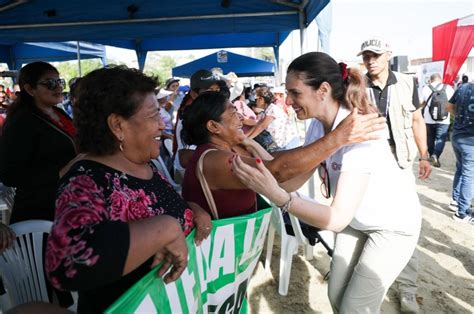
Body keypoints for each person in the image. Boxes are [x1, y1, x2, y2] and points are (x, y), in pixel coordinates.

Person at [231, 51, 421, 313]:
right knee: (336, 295)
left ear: (323, 89)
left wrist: (277, 197)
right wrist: (255, 150)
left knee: (354, 308)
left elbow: (336, 219)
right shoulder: (319, 126)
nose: (288, 101)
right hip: (358, 221)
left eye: (295, 93)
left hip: (391, 227)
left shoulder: (358, 130)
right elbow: (294, 179)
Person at [45, 66, 212, 313]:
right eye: (154, 116)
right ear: (117, 125)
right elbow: (66, 265)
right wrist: (166, 229)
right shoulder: (86, 179)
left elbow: (157, 209)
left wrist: (191, 209)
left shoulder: (143, 166)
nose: (161, 127)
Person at [359, 37, 430, 313]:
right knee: (364, 222)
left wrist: (424, 155)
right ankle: (363, 276)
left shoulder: (407, 83)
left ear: (388, 55)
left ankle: (408, 288)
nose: (371, 60)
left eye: (375, 54)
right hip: (366, 164)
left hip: (399, 163)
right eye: (366, 56)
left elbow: (416, 120)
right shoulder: (356, 86)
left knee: (405, 225)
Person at [0, 62, 77, 223]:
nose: (58, 87)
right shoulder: (21, 122)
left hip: (68, 201)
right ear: (30, 89)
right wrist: (59, 172)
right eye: (50, 83)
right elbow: (10, 175)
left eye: (59, 82)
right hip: (40, 209)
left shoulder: (58, 112)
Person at [181, 91, 259, 219]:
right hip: (230, 238)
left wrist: (250, 143)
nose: (240, 117)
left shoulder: (226, 149)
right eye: (234, 113)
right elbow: (277, 172)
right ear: (213, 126)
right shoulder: (214, 159)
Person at [446, 82, 474, 224]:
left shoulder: (463, 87)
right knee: (469, 175)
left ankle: (456, 202)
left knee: (461, 169)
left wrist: (461, 119)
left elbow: (449, 107)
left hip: (457, 135)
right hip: (470, 141)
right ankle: (462, 213)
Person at [421, 73, 454, 168]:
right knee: (441, 138)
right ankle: (435, 155)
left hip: (428, 119)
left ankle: (432, 155)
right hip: (444, 120)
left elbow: (420, 102)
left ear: (430, 80)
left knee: (430, 137)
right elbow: (452, 104)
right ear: (441, 80)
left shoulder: (426, 88)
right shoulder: (448, 88)